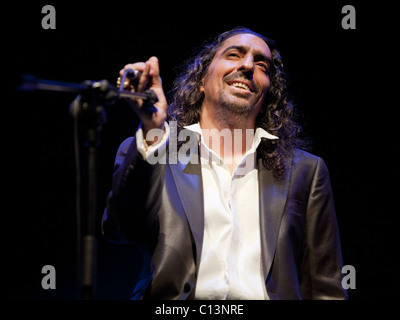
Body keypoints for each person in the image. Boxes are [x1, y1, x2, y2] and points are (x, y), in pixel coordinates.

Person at [102, 27, 348, 300]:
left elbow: (326, 286)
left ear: (268, 93)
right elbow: (121, 229)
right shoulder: (157, 150)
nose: (247, 65)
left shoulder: (305, 170)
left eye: (261, 65)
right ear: (201, 80)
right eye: (234, 54)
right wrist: (152, 129)